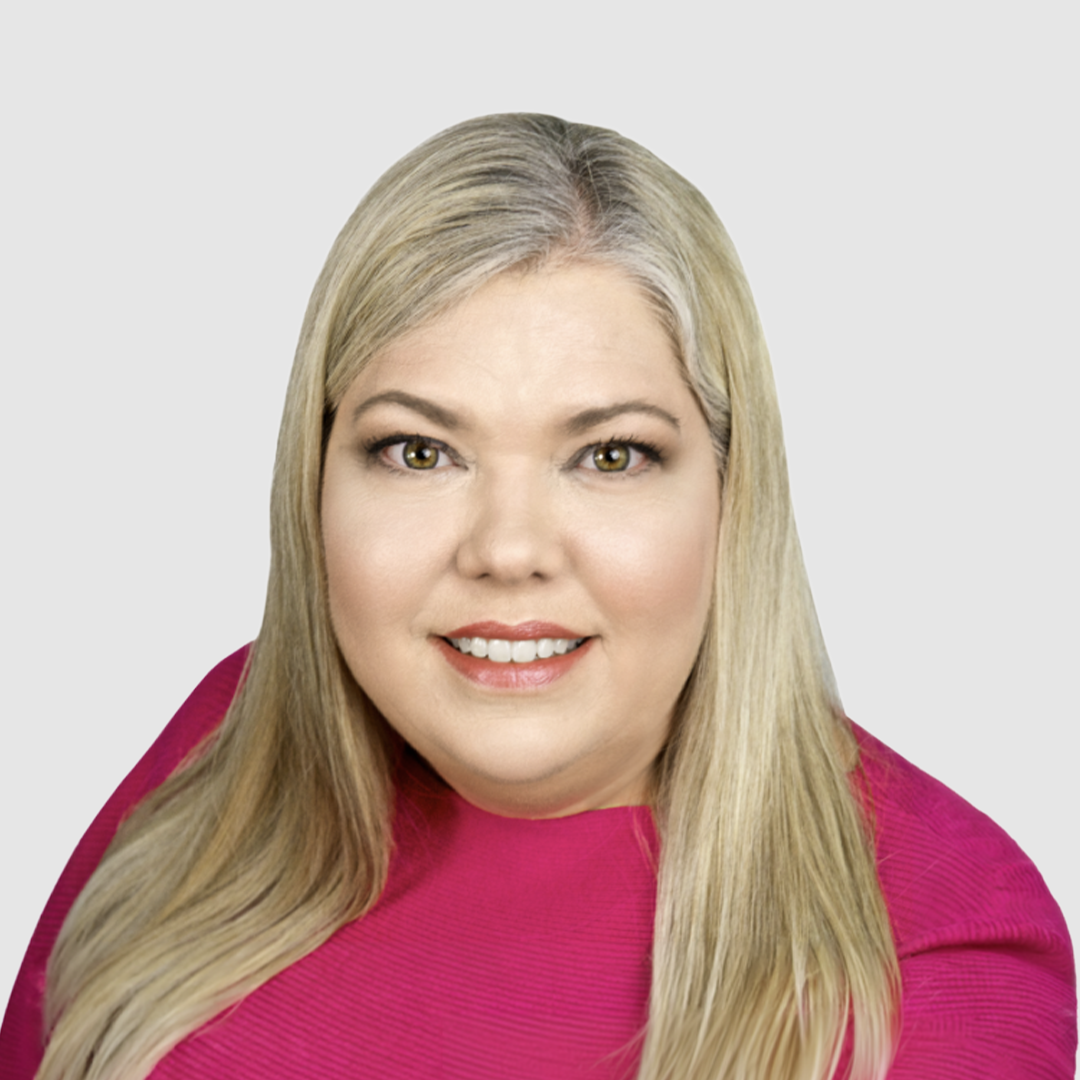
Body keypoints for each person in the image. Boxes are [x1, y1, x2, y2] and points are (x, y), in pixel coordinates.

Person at [1, 114, 1074, 1080]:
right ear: (315, 480)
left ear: (731, 494)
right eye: (419, 450)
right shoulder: (230, 749)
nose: (508, 551)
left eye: (609, 456)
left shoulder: (937, 957)